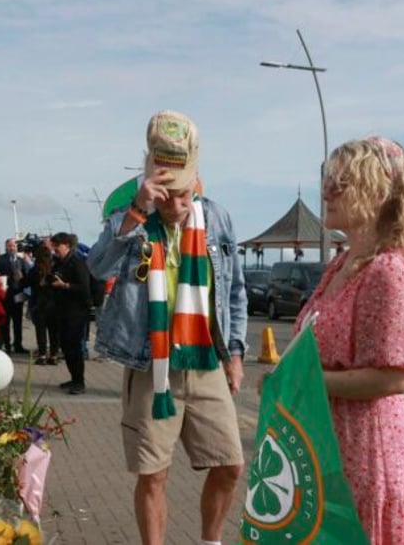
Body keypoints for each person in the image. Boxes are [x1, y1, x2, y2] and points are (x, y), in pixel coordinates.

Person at [87, 111, 246, 545]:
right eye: (165, 195)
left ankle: (211, 541)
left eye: (183, 193)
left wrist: (234, 354)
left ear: (196, 182)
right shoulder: (132, 217)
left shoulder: (216, 218)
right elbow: (97, 267)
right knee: (154, 475)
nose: (175, 205)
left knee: (230, 464)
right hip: (151, 365)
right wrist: (137, 212)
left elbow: (236, 291)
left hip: (206, 359)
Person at [292, 136, 404, 543]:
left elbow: (393, 378)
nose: (327, 191)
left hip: (369, 450)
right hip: (332, 440)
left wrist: (304, 380)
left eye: (342, 182)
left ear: (379, 191)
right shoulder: (343, 263)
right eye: (328, 180)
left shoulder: (388, 271)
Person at [51, 232, 92, 394]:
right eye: (53, 246)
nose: (55, 249)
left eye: (57, 246)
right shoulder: (59, 263)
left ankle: (79, 382)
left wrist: (66, 286)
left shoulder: (77, 262)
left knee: (75, 347)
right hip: (62, 310)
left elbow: (84, 288)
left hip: (77, 312)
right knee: (66, 347)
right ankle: (73, 378)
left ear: (67, 245)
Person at [0, 238, 31, 353]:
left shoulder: (21, 260)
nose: (12, 248)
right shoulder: (0, 259)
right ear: (6, 247)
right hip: (5, 296)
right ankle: (6, 345)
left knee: (18, 322)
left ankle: (18, 345)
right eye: (10, 246)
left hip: (18, 295)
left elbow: (28, 277)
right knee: (5, 322)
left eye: (14, 246)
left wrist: (23, 278)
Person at [27, 244, 59, 365]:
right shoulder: (54, 269)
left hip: (39, 304)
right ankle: (54, 355)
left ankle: (42, 355)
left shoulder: (35, 270)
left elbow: (28, 284)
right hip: (54, 304)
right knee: (54, 332)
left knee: (41, 331)